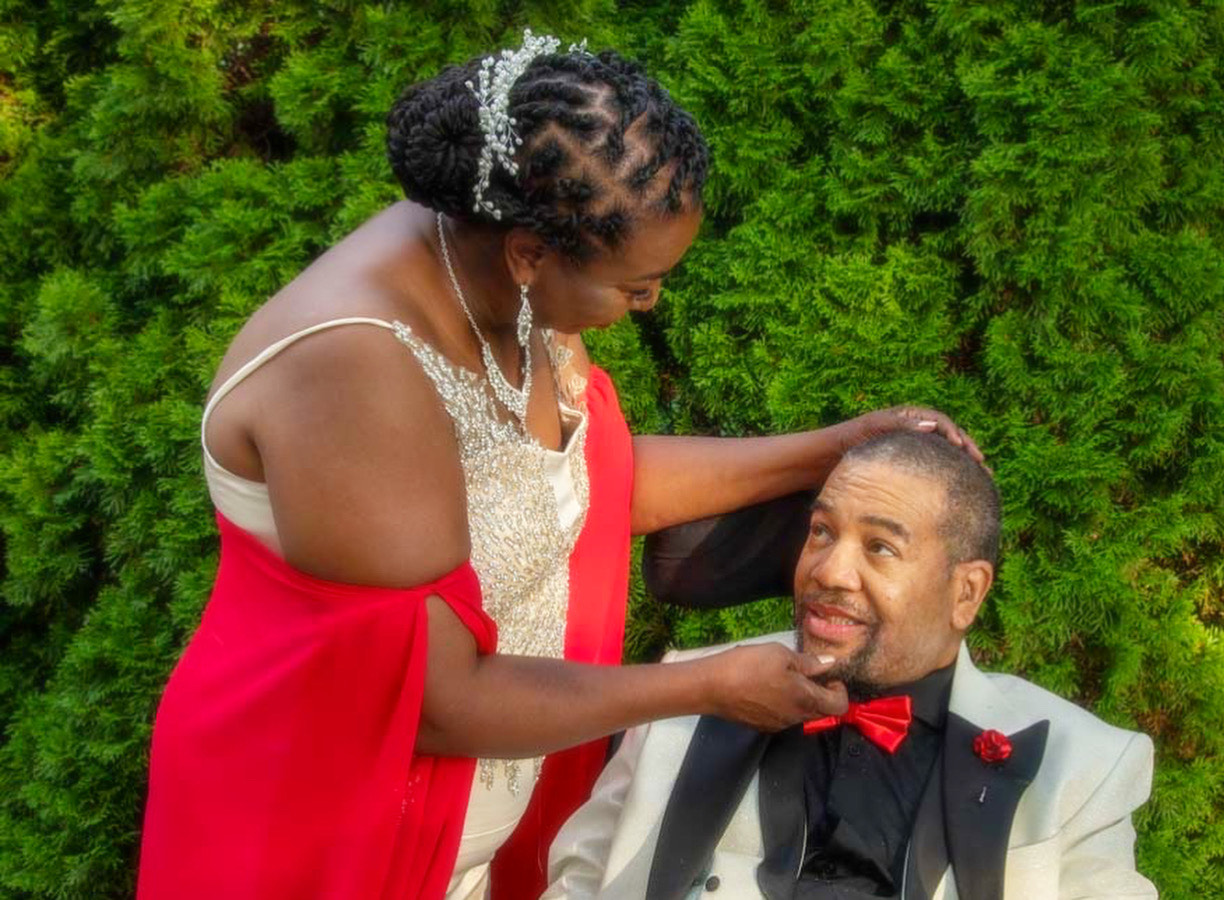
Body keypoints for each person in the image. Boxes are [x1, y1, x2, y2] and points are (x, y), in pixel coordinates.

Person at [135, 31, 983, 900]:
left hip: (471, 818)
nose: (650, 304)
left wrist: (833, 445)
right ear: (531, 254)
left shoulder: (505, 257)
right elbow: (431, 703)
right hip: (318, 833)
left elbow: (581, 484)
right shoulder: (358, 371)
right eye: (637, 287)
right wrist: (706, 687)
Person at [545, 430, 1157, 900]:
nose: (829, 572)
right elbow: (578, 879)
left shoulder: (1082, 765)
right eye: (820, 532)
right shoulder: (689, 688)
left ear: (965, 593)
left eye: (881, 547)